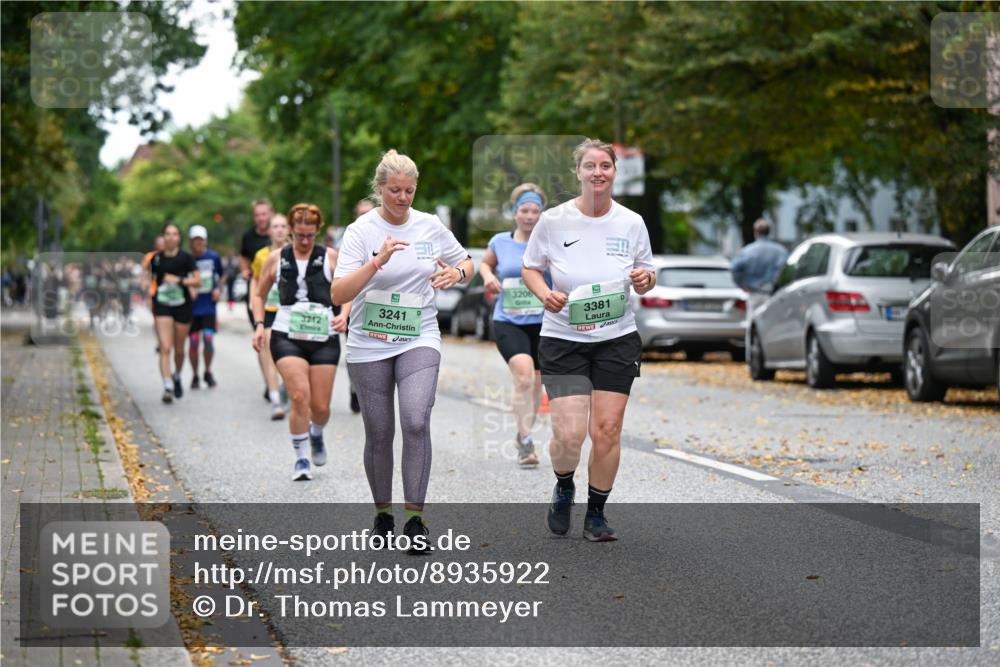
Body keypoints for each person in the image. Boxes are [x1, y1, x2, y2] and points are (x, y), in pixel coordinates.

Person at [332, 149, 473, 551]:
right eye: (394, 190)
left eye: (409, 190)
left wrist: (455, 272)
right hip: (369, 342)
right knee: (379, 433)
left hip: (419, 335)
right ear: (379, 189)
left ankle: (414, 519)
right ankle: (382, 513)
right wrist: (376, 262)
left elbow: (466, 262)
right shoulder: (361, 230)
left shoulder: (429, 225)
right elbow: (338, 291)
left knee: (415, 420)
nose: (403, 198)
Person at [521, 138, 656, 542]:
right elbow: (531, 268)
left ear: (614, 172)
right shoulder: (553, 221)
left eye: (606, 166)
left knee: (608, 428)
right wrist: (546, 295)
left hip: (617, 338)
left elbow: (647, 275)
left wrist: (645, 279)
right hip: (564, 339)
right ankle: (564, 484)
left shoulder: (631, 222)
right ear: (578, 173)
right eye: (590, 166)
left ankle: (596, 513)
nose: (598, 172)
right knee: (568, 435)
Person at [253, 204, 348, 481]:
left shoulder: (331, 257)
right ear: (291, 232)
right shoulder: (275, 259)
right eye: (299, 235)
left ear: (317, 232)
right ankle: (301, 458)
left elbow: (349, 289)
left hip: (324, 337)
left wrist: (344, 314)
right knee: (298, 397)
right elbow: (258, 295)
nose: (304, 241)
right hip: (286, 334)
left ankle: (316, 433)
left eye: (310, 235)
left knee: (320, 407)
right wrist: (260, 325)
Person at [480, 183, 551, 466]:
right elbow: (485, 264)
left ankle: (524, 433)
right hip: (508, 320)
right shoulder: (500, 241)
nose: (530, 216)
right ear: (515, 212)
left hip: (544, 321)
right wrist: (487, 277)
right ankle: (525, 441)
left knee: (536, 384)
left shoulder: (549, 242)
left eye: (535, 211)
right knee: (524, 376)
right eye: (525, 210)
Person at [150, 222, 201, 403]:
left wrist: (179, 281)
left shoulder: (186, 258)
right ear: (163, 237)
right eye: (168, 234)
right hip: (163, 305)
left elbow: (198, 281)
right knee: (165, 347)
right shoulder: (156, 259)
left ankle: (177, 375)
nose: (171, 237)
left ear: (179, 238)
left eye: (174, 234)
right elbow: (151, 281)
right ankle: (167, 386)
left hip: (182, 306)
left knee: (179, 350)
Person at [251, 213, 291, 419]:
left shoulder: (296, 252)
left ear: (289, 229)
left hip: (292, 311)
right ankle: (275, 398)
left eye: (283, 226)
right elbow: (256, 282)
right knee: (267, 347)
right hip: (270, 309)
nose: (279, 230)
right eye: (275, 226)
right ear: (269, 230)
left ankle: (288, 389)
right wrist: (254, 305)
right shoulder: (261, 256)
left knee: (289, 356)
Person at [339, 198, 376, 414]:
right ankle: (356, 388)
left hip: (381, 307)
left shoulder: (387, 236)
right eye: (360, 214)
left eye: (368, 213)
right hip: (354, 307)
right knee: (356, 354)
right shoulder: (350, 237)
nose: (364, 218)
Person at [241, 199, 276, 398]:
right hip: (258, 295)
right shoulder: (249, 236)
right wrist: (245, 271)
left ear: (270, 214)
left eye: (264, 214)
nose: (261, 218)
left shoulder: (282, 234)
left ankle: (279, 380)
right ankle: (269, 383)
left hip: (280, 298)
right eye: (257, 215)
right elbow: (244, 257)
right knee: (261, 337)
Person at [188, 225, 225, 390]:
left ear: (205, 240)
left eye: (201, 239)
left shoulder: (213, 257)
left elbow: (222, 275)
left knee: (208, 340)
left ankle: (208, 371)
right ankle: (195, 374)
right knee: (194, 342)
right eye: (195, 239)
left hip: (209, 306)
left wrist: (219, 288)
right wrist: (188, 289)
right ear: (190, 241)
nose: (198, 242)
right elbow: (181, 278)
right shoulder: (186, 259)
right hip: (191, 308)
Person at [730, 218, 789, 318]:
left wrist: (743, 285)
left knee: (753, 325)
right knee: (772, 327)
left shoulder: (747, 251)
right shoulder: (780, 251)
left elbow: (735, 268)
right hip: (774, 295)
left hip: (754, 294)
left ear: (755, 233)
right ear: (769, 232)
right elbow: (786, 270)